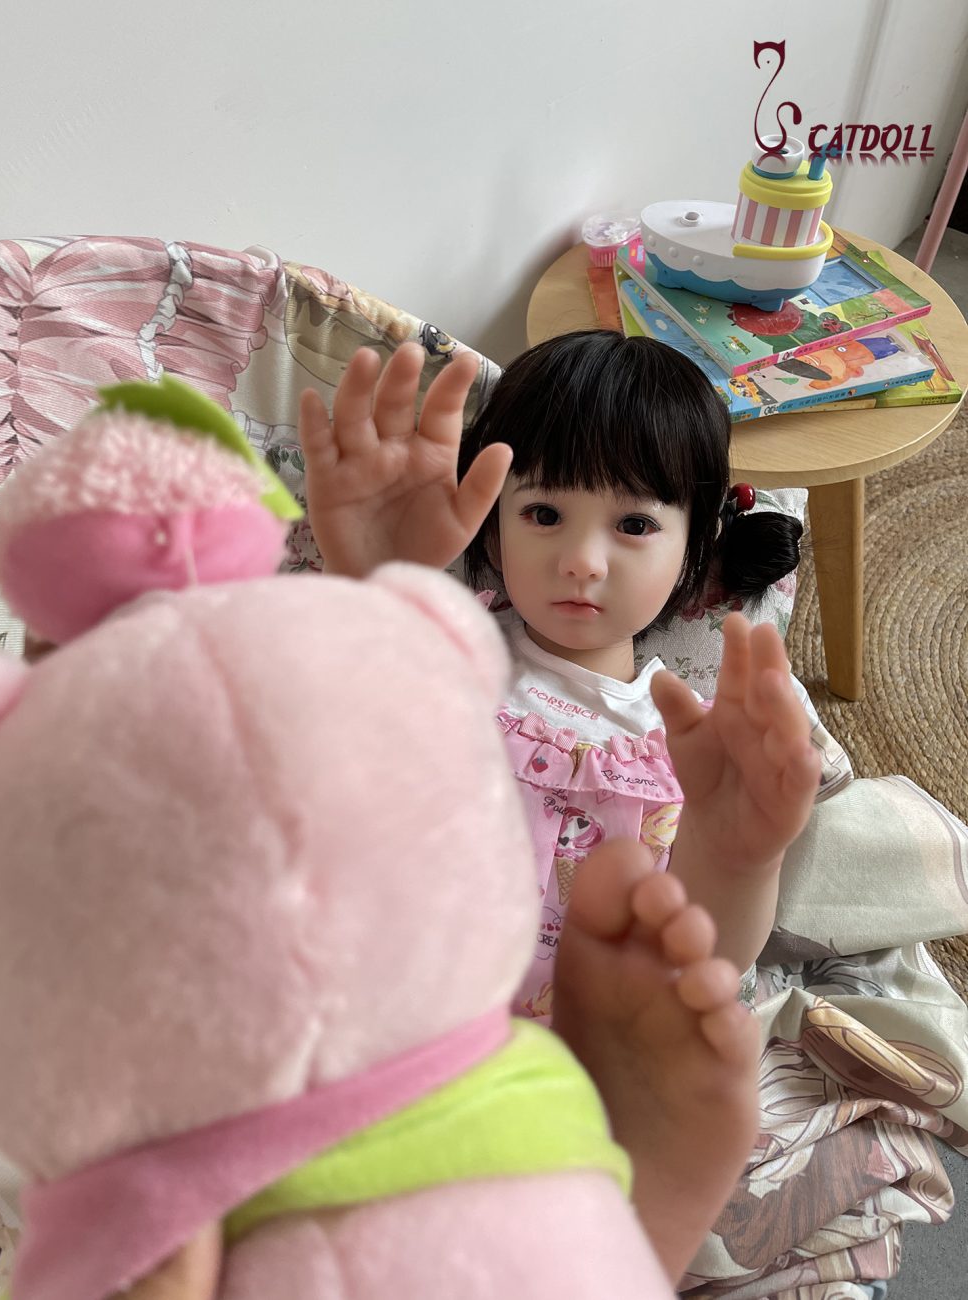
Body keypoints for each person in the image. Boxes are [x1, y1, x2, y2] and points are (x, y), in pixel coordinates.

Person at [300, 331, 822, 1282]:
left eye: (633, 525)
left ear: (696, 544)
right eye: (543, 512)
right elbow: (326, 757)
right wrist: (370, 587)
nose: (582, 560)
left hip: (569, 1081)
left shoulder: (693, 737)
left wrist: (742, 853)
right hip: (383, 1034)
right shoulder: (445, 643)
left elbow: (702, 959)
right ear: (492, 519)